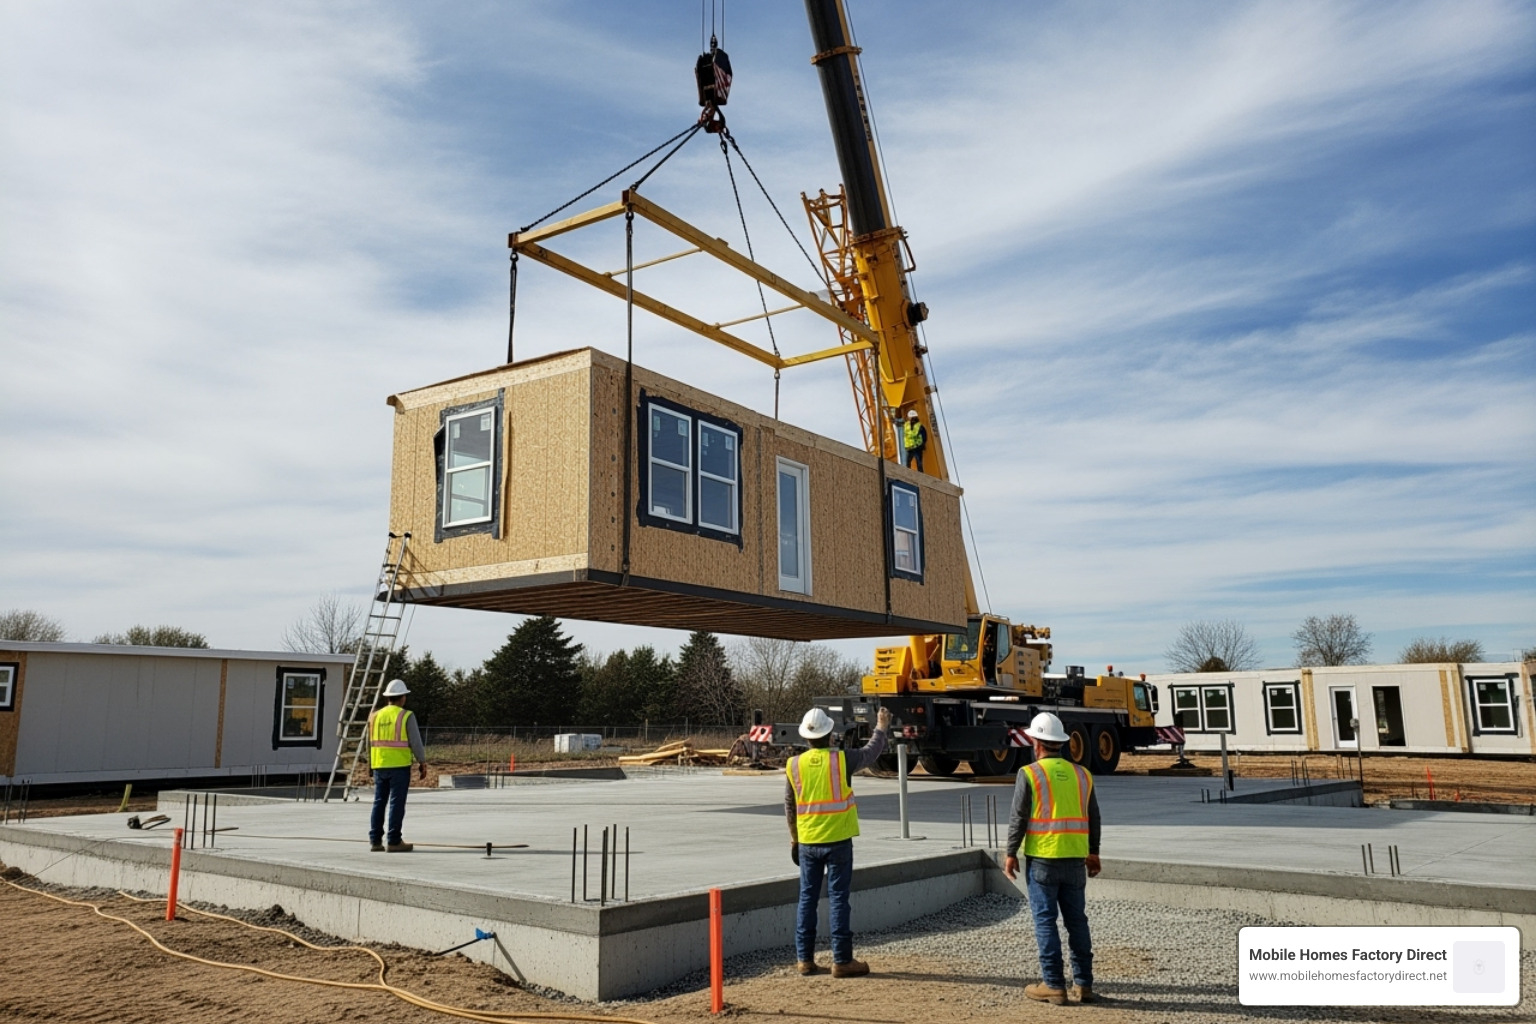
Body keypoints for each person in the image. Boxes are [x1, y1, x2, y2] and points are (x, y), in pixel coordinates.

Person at [1003, 712, 1102, 1005]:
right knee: (1077, 922)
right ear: (1060, 743)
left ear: (1036, 743)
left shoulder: (1030, 773)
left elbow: (1018, 817)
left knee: (1045, 921)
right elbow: (1093, 816)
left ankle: (1054, 985)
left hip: (1043, 859)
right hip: (1075, 858)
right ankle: (1083, 984)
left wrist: (1010, 852)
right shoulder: (1083, 774)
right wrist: (1093, 852)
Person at [785, 704, 890, 977]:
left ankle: (804, 959)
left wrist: (794, 840)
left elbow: (790, 804)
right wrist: (881, 726)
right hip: (839, 840)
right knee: (838, 899)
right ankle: (842, 960)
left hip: (808, 842)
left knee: (807, 898)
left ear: (806, 738)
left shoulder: (794, 764)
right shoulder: (842, 759)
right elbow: (871, 753)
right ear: (830, 734)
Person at [366, 678, 427, 853]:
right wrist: (422, 762)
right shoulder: (406, 715)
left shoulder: (375, 716)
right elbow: (415, 742)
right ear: (402, 698)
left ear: (388, 698)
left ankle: (375, 840)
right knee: (396, 803)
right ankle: (393, 840)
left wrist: (370, 764)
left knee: (379, 802)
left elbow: (369, 743)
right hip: (399, 767)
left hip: (379, 765)